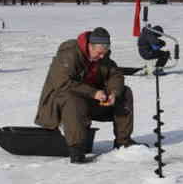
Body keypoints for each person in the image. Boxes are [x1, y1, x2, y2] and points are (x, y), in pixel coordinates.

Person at [35, 27, 137, 164]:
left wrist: (113, 92)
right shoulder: (69, 55)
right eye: (99, 53)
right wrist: (94, 93)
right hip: (61, 104)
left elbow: (116, 75)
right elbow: (62, 83)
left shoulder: (102, 57)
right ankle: (77, 149)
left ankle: (123, 143)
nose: (102, 57)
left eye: (104, 53)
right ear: (90, 46)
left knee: (124, 92)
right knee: (74, 99)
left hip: (90, 101)